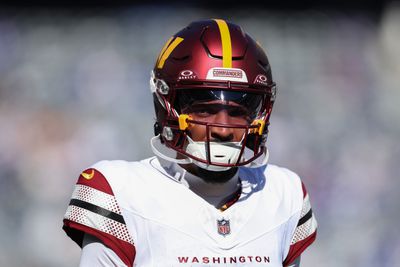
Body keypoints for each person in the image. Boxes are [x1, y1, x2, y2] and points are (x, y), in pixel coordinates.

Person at [63, 19, 317, 267]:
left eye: (238, 112)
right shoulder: (119, 192)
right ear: (168, 108)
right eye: (205, 110)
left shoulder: (284, 193)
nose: (222, 128)